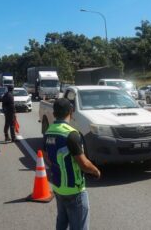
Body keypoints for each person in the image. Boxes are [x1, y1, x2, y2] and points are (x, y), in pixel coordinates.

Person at [43, 98, 101, 230]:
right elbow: (84, 164)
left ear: (54, 113)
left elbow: (46, 156)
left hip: (58, 187)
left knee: (62, 222)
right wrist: (96, 171)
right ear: (71, 111)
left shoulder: (48, 132)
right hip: (74, 190)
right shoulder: (71, 134)